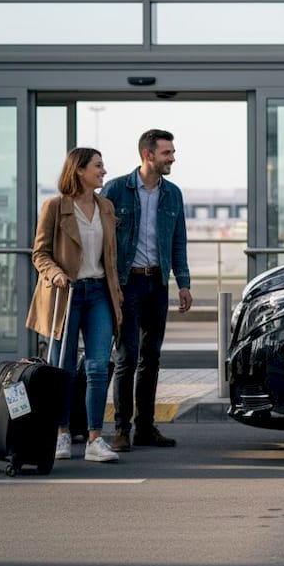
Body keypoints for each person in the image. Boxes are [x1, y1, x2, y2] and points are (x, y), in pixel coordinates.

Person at [27, 147, 123, 464]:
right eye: (98, 166)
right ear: (79, 170)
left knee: (97, 368)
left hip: (99, 294)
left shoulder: (105, 207)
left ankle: (95, 439)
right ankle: (61, 434)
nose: (103, 171)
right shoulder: (54, 207)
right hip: (65, 294)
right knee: (63, 369)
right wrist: (55, 274)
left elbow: (110, 256)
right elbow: (39, 254)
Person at [102, 128, 192, 451]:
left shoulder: (174, 194)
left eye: (172, 152)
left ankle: (144, 427)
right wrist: (110, 285)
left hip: (157, 283)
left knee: (151, 357)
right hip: (128, 283)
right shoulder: (115, 190)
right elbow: (104, 243)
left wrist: (184, 283)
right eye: (167, 153)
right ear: (148, 155)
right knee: (127, 356)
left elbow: (179, 240)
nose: (172, 158)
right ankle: (121, 429)